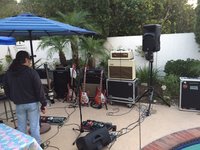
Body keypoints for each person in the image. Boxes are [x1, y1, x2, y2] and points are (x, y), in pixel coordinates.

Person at [3, 51, 47, 147]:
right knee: (34, 127)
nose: (30, 62)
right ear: (26, 60)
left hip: (19, 104)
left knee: (21, 127)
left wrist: (13, 98)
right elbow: (39, 89)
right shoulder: (31, 72)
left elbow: (6, 88)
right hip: (32, 104)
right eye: (30, 60)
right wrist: (43, 103)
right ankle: (38, 146)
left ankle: (23, 146)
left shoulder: (9, 73)